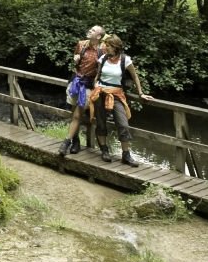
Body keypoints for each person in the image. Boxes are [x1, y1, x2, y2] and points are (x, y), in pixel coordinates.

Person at [90, 33, 154, 166]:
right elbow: (98, 75)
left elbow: (135, 77)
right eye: (106, 45)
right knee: (101, 123)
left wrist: (141, 93)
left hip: (116, 95)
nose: (105, 47)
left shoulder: (125, 60)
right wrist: (95, 85)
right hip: (100, 93)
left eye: (108, 45)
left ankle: (126, 154)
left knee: (123, 124)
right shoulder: (103, 58)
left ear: (115, 46)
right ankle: (104, 150)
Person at [60, 25, 104, 157]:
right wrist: (75, 59)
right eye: (90, 29)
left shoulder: (103, 49)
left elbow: (103, 69)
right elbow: (77, 62)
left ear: (98, 36)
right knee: (74, 113)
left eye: (93, 30)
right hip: (76, 82)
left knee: (77, 115)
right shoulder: (81, 44)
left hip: (88, 85)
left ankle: (66, 143)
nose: (90, 30)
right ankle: (76, 141)